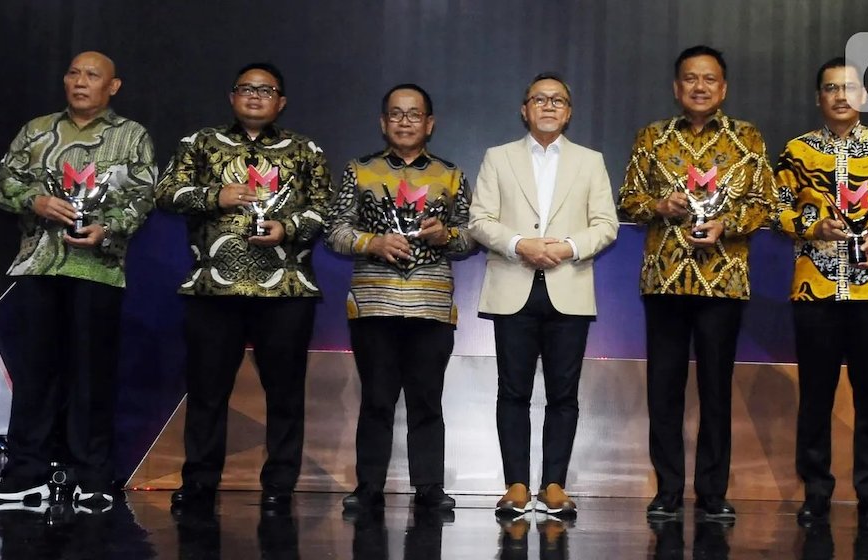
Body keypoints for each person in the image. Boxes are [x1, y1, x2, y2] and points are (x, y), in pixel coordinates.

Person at [155, 62, 332, 513]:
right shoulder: (201, 143)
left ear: (282, 101)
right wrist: (217, 196)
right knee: (208, 392)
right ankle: (199, 482)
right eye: (246, 89)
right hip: (214, 289)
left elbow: (325, 210)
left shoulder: (304, 149)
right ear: (232, 97)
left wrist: (287, 227)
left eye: (266, 90)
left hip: (285, 290)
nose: (255, 96)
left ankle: (279, 486)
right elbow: (165, 193)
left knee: (286, 394)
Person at [0, 51, 156, 508]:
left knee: (91, 375)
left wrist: (110, 227)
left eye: (92, 75)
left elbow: (143, 197)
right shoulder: (38, 129)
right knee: (36, 372)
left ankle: (92, 474)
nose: (80, 82)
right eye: (73, 73)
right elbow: (4, 182)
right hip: (39, 264)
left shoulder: (131, 135)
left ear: (113, 86)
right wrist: (34, 201)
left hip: (98, 267)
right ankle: (27, 471)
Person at [619, 45, 774, 520]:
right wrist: (658, 207)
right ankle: (667, 490)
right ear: (676, 87)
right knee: (663, 389)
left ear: (723, 88)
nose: (700, 87)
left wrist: (727, 223)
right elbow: (627, 199)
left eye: (709, 79)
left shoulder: (747, 138)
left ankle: (712, 492)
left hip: (722, 283)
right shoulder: (652, 137)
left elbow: (764, 201)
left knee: (715, 388)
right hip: (664, 280)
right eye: (690, 78)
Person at [774, 57, 868, 525]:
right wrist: (811, 227)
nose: (840, 96)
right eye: (830, 88)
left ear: (862, 96)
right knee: (816, 395)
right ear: (818, 97)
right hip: (814, 288)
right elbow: (774, 205)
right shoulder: (798, 151)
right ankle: (816, 492)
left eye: (849, 88)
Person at [470, 72, 618, 517]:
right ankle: (516, 485)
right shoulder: (498, 158)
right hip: (513, 287)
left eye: (558, 100)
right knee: (512, 392)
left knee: (564, 395)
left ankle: (554, 485)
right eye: (540, 99)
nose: (549, 106)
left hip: (568, 289)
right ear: (525, 109)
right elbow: (479, 220)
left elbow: (606, 225)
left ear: (569, 112)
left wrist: (567, 248)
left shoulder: (590, 161)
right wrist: (521, 244)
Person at [325, 83, 473, 512]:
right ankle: (368, 487)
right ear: (382, 122)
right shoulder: (360, 169)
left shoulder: (451, 174)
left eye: (414, 114)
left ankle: (429, 488)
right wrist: (371, 243)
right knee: (376, 399)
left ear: (430, 123)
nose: (404, 121)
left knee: (427, 400)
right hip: (373, 304)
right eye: (396, 114)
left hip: (431, 307)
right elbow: (334, 231)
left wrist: (447, 235)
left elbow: (469, 237)